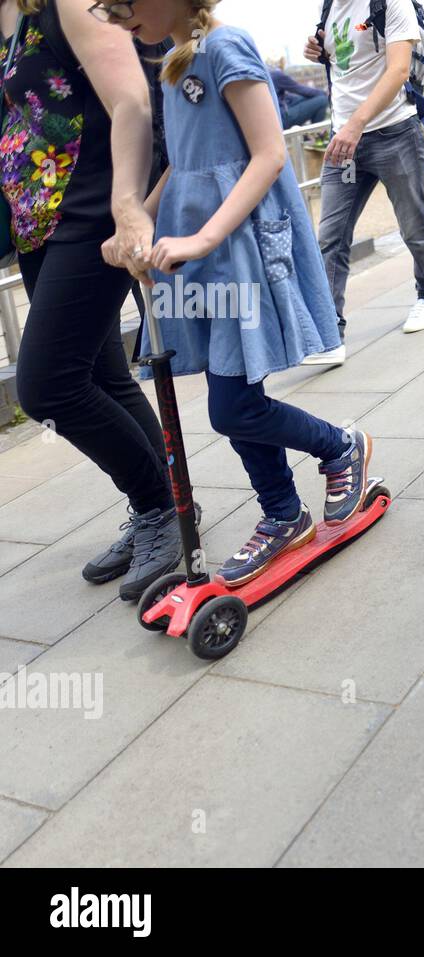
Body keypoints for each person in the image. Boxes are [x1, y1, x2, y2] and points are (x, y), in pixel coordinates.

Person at [106, 0, 379, 586]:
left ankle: (338, 447)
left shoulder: (225, 48)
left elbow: (270, 152)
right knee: (233, 391)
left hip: (236, 251)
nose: (116, 17)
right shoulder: (174, 61)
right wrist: (139, 225)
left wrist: (203, 236)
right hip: (199, 253)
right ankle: (282, 512)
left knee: (232, 405)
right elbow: (183, 164)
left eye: (123, 4)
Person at [3, 0, 186, 602]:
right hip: (39, 221)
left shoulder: (67, 2)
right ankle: (166, 508)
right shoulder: (14, 15)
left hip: (90, 213)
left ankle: (160, 507)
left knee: (47, 386)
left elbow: (131, 99)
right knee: (103, 376)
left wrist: (129, 207)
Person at [301, 0, 424, 365]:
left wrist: (356, 124)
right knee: (330, 238)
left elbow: (398, 71)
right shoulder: (329, 7)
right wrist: (317, 52)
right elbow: (346, 66)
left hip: (393, 133)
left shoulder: (390, 3)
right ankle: (328, 333)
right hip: (345, 140)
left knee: (413, 224)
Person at [270, 63, 328, 129]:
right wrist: (324, 93)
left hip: (275, 120)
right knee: (322, 100)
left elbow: (288, 97)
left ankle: (310, 134)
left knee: (308, 97)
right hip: (281, 120)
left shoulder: (268, 76)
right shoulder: (276, 75)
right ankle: (317, 134)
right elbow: (300, 89)